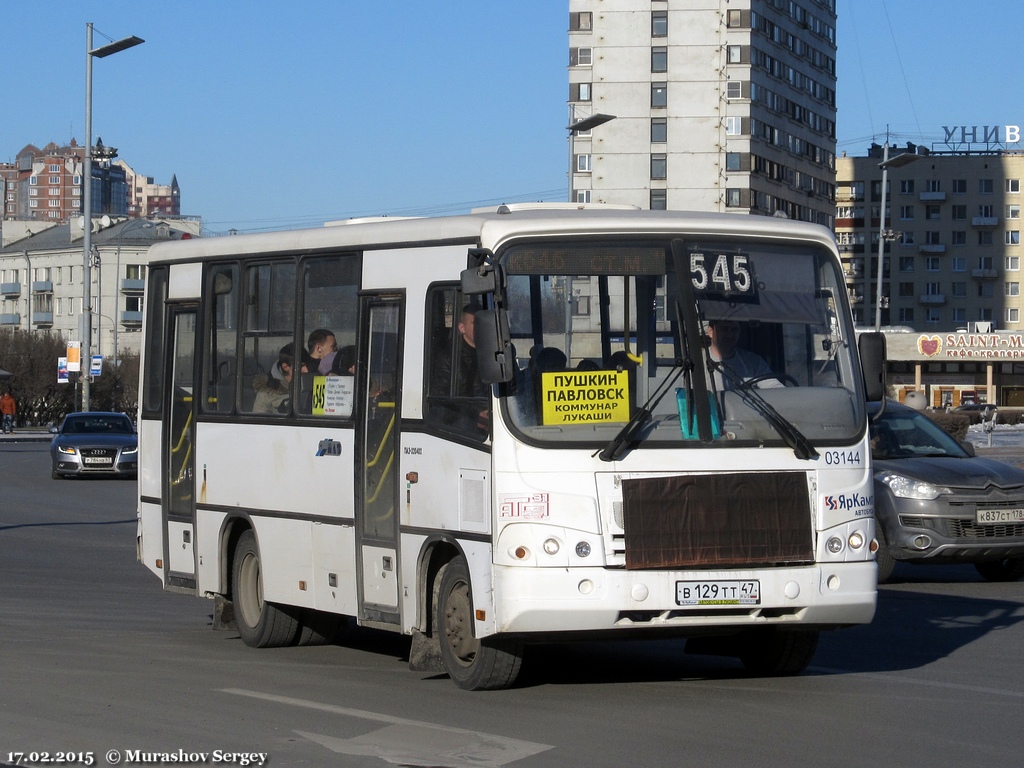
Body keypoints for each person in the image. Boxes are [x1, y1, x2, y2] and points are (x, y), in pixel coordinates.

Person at [705, 319, 782, 390]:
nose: (730, 335)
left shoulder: (754, 362)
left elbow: (774, 387)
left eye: (734, 330)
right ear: (710, 331)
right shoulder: (696, 364)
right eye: (724, 329)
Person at [253, 345, 297, 413]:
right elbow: (258, 421)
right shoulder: (265, 394)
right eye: (301, 366)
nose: (306, 370)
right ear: (285, 367)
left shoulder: (310, 388)